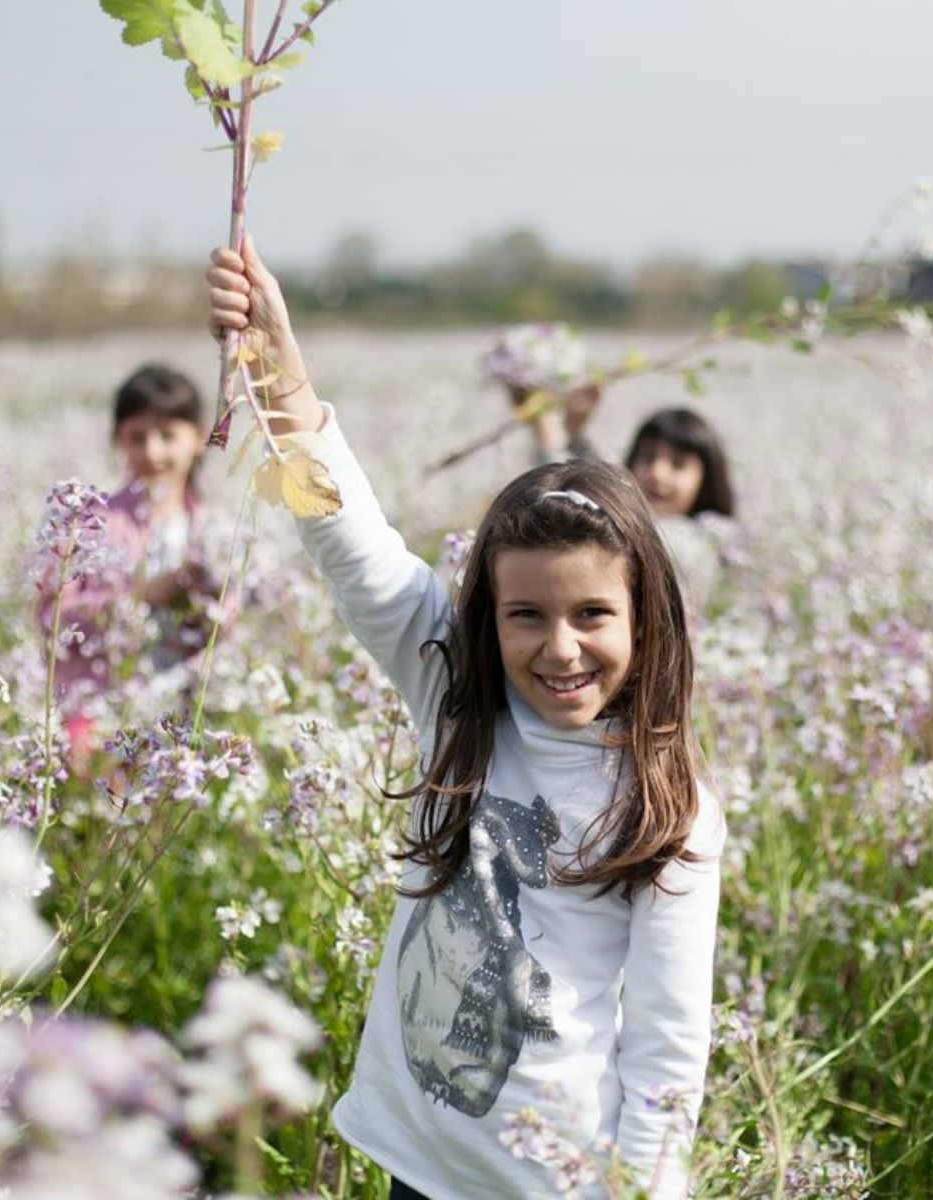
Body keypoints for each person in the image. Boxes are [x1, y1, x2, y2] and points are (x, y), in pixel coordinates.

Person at [208, 241, 725, 1199]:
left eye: (592, 616)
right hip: (418, 1159)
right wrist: (279, 365)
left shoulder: (670, 804)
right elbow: (349, 540)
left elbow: (666, 1043)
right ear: (485, 619)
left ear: (646, 617)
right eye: (526, 615)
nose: (559, 649)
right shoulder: (458, 699)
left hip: (553, 1182)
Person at [35, 364, 228, 760]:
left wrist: (207, 611)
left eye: (168, 436)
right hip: (100, 716)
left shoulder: (213, 528)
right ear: (118, 440)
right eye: (138, 438)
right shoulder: (90, 522)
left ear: (198, 438)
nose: (153, 452)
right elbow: (50, 617)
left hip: (185, 717)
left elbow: (230, 626)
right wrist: (139, 597)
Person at [528, 388, 738, 613]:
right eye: (647, 457)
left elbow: (587, 507)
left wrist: (549, 431)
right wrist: (574, 431)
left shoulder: (695, 541)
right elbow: (595, 490)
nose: (657, 472)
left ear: (706, 480)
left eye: (678, 464)